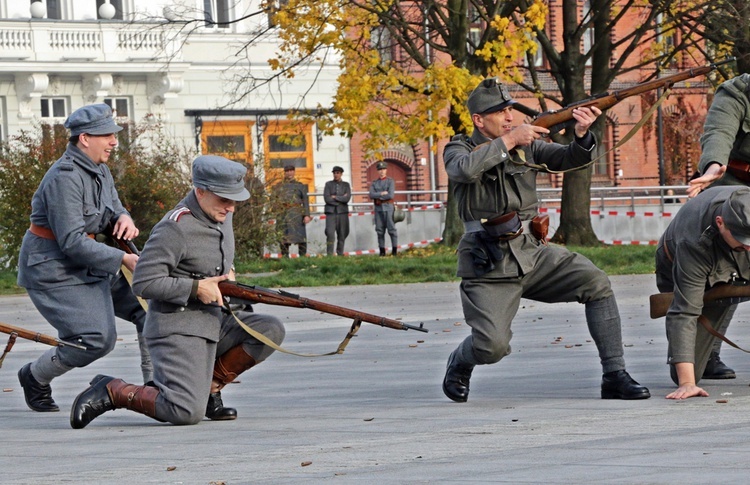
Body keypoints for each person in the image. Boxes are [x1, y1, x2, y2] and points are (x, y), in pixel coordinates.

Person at [441, 77, 650, 402]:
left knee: (597, 283)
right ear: (478, 120)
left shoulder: (526, 144)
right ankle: (460, 361)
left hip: (532, 251)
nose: (509, 117)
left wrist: (582, 136)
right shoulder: (459, 148)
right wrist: (509, 141)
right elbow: (464, 171)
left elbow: (569, 159)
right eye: (499, 112)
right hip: (489, 262)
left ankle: (614, 374)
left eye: (510, 109)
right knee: (491, 346)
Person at [70, 155, 286, 428]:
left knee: (270, 329)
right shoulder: (175, 226)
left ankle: (208, 389)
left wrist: (227, 273)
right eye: (224, 199)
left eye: (234, 200)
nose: (231, 208)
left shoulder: (219, 213)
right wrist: (196, 288)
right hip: (177, 328)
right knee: (184, 413)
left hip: (212, 322)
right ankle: (113, 391)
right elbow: (144, 283)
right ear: (201, 191)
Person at [16, 103, 152, 414]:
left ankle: (155, 390)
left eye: (114, 135)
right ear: (85, 138)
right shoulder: (65, 177)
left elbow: (113, 207)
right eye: (107, 135)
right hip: (54, 269)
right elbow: (71, 242)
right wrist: (122, 259)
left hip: (91, 262)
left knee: (150, 306)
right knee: (96, 339)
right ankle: (34, 376)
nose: (114, 141)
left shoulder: (100, 170)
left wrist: (125, 217)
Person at [683, 73, 750, 379]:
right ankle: (707, 353)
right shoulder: (737, 92)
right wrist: (713, 167)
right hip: (733, 185)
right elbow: (718, 133)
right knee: (728, 268)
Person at [655, 185, 750, 399]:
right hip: (680, 264)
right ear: (720, 222)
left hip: (729, 268)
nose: (748, 248)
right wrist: (687, 383)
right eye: (743, 241)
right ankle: (702, 362)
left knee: (729, 288)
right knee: (687, 372)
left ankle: (711, 354)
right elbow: (684, 312)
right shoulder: (694, 241)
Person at [278, 165, 311, 257]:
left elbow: (305, 201)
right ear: (284, 173)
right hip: (283, 213)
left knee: (300, 236)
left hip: (297, 213)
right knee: (283, 236)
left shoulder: (300, 186)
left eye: (291, 171)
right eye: (287, 171)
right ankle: (285, 257)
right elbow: (274, 200)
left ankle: (303, 256)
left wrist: (306, 215)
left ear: (294, 172)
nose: (289, 173)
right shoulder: (279, 186)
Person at [369, 161, 398, 256]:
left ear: (386, 170)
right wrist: (381, 193)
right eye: (380, 170)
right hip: (378, 209)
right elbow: (371, 195)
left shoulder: (390, 181)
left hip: (388, 208)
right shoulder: (374, 183)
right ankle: (382, 252)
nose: (382, 171)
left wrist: (378, 196)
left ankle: (394, 251)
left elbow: (390, 195)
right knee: (379, 230)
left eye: (383, 169)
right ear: (377, 171)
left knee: (392, 230)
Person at [323, 166, 351, 256]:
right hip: (331, 213)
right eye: (334, 173)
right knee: (330, 234)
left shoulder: (346, 185)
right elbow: (327, 198)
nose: (336, 175)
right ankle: (330, 255)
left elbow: (347, 198)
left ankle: (340, 253)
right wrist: (340, 199)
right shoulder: (328, 184)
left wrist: (335, 197)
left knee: (342, 234)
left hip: (342, 212)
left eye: (338, 173)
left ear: (341, 174)